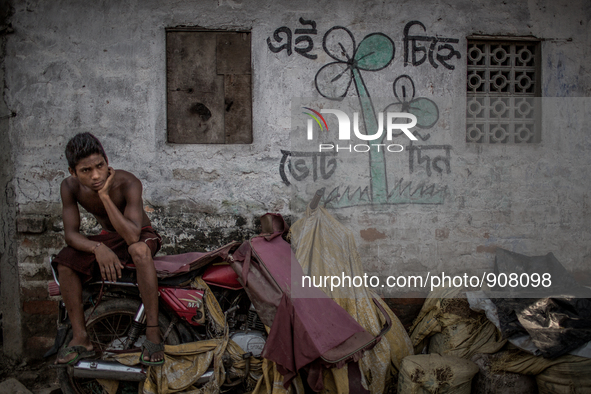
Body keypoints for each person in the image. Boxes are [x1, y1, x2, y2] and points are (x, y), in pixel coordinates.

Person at [52, 132, 164, 366]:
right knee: (64, 262)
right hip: (109, 240)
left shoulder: (128, 182)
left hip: (140, 234)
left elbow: (133, 235)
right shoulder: (69, 187)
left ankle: (153, 331)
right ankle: (81, 338)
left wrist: (104, 196)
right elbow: (70, 234)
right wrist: (97, 247)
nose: (95, 175)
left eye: (100, 166)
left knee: (139, 251)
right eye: (86, 171)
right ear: (73, 172)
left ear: (106, 162)